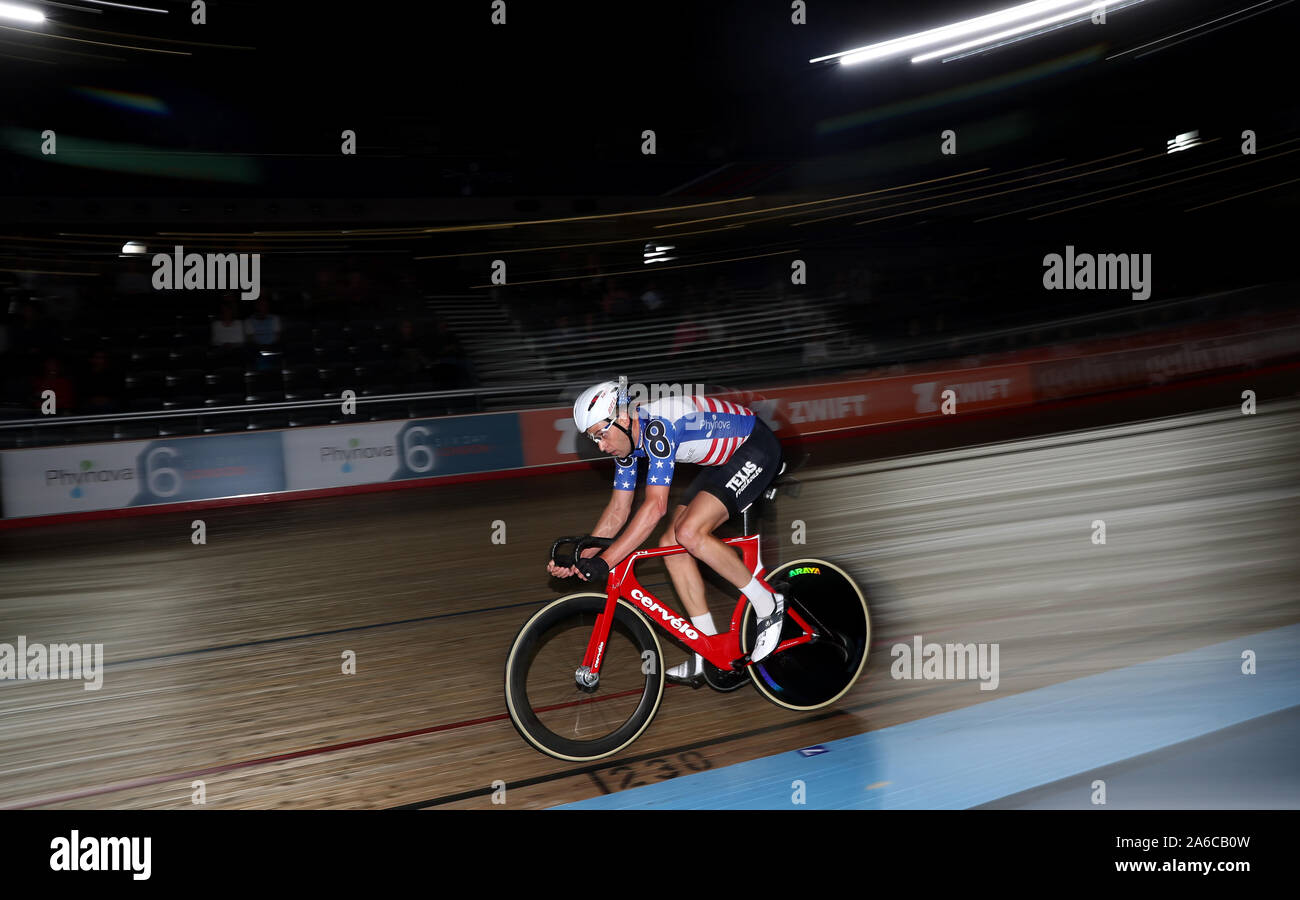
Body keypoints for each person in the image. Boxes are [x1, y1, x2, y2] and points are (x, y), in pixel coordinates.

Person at [546, 380, 786, 684]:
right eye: (594, 440)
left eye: (600, 435)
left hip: (756, 446)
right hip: (723, 461)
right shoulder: (627, 443)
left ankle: (768, 602)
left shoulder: (659, 427)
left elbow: (655, 508)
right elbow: (619, 511)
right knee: (671, 547)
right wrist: (580, 558)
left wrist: (605, 562)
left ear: (621, 418)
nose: (601, 446)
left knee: (688, 532)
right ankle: (710, 649)